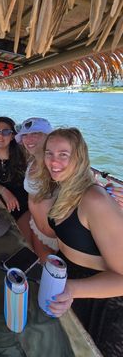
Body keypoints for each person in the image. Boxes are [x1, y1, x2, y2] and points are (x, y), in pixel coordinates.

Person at [36, 128, 123, 357]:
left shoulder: (94, 199)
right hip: (70, 283)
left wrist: (73, 288)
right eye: (49, 153)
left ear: (80, 157)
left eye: (63, 154)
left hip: (102, 302)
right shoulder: (62, 187)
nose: (54, 161)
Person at [15, 117, 58, 260]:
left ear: (49, 136)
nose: (28, 139)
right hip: (34, 223)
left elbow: (81, 182)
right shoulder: (32, 161)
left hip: (54, 237)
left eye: (35, 134)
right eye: (25, 135)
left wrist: (107, 191)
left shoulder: (57, 166)